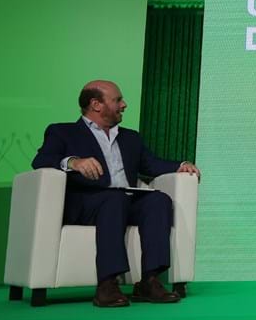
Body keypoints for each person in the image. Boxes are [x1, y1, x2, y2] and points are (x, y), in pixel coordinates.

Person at [31, 79, 201, 307]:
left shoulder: (130, 137)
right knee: (114, 199)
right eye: (118, 100)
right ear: (96, 105)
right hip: (87, 204)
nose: (124, 105)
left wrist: (181, 165)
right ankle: (107, 284)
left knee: (158, 200)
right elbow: (41, 160)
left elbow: (151, 164)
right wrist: (73, 162)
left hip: (125, 201)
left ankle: (149, 280)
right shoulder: (63, 132)